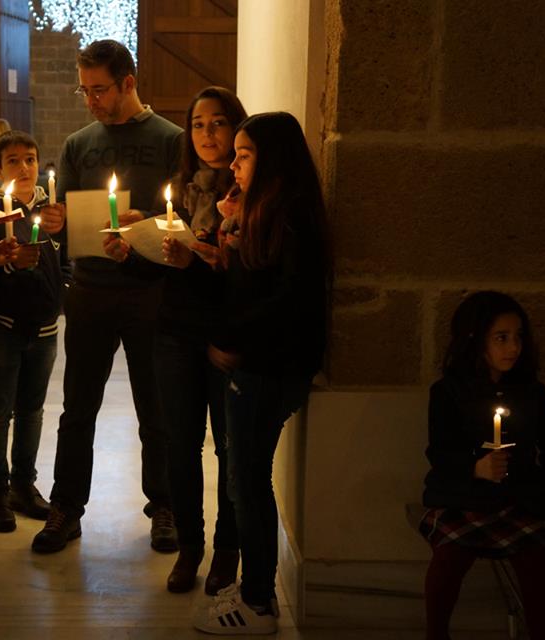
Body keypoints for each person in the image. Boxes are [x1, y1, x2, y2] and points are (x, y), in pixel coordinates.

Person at [30, 39, 183, 554]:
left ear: (128, 84)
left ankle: (164, 506)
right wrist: (54, 225)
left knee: (154, 407)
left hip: (150, 292)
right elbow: (67, 221)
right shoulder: (78, 145)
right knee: (78, 408)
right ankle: (66, 508)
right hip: (91, 289)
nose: (90, 100)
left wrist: (148, 224)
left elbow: (184, 220)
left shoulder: (171, 141)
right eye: (84, 89)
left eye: (100, 90)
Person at [107, 87, 247, 593]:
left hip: (227, 337)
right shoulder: (182, 187)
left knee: (230, 451)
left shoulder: (250, 189)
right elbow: (168, 272)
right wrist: (135, 253)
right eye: (198, 124)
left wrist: (198, 264)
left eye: (217, 123)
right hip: (175, 334)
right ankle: (191, 547)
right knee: (180, 446)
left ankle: (228, 553)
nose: (207, 135)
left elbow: (248, 279)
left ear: (236, 127)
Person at [191, 112, 327, 635]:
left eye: (244, 155)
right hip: (263, 360)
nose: (233, 163)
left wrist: (229, 339)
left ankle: (257, 604)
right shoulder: (270, 210)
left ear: (271, 160)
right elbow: (257, 280)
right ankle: (256, 588)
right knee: (244, 477)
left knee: (247, 480)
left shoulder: (289, 217)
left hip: (266, 365)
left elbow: (284, 300)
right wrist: (229, 238)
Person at [418, 291, 545, 640]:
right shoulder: (448, 392)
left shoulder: (531, 393)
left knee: (535, 562)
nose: (513, 347)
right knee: (449, 559)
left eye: (518, 337)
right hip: (464, 498)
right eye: (501, 338)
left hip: (519, 498)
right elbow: (440, 452)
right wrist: (476, 468)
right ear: (476, 341)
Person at [0, 130, 64, 533]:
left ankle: (24, 484)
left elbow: (65, 257)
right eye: (14, 161)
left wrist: (63, 289)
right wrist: (7, 265)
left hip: (44, 326)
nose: (25, 168)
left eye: (31, 159)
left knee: (32, 411)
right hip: (2, 327)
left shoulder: (52, 209)